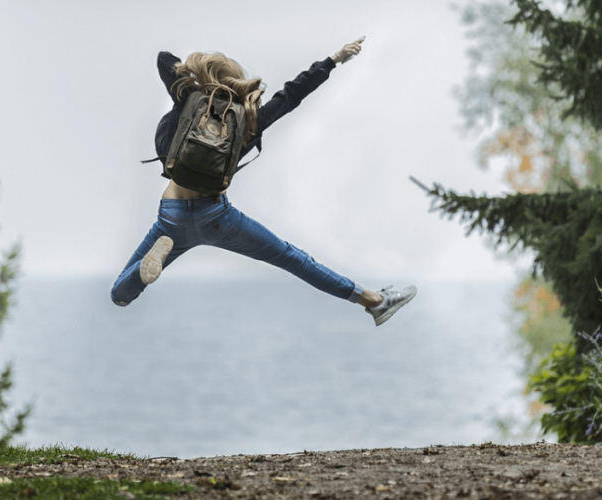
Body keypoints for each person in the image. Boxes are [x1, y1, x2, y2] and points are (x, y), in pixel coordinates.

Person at [110, 38, 416, 326]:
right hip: (216, 216)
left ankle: (142, 271)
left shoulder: (189, 99)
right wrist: (334, 60)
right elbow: (291, 96)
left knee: (119, 296)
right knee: (292, 258)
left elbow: (165, 60)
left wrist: (197, 75)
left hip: (172, 215)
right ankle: (373, 301)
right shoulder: (248, 119)